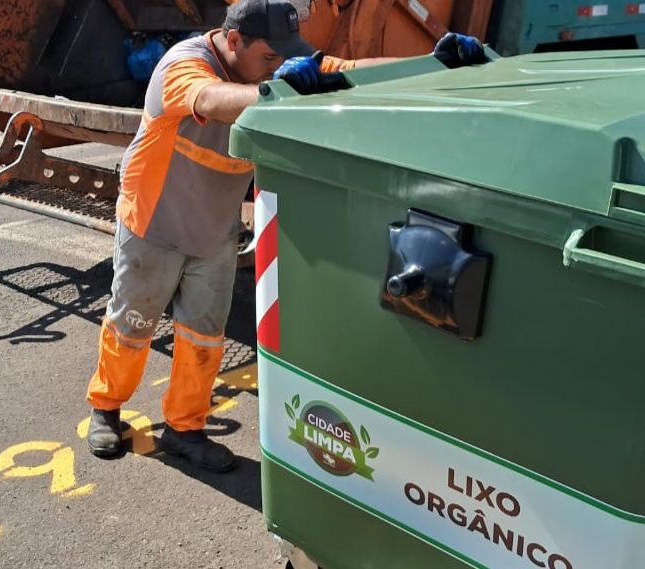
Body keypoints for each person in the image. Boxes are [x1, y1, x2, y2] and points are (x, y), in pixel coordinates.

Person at [85, 0, 488, 472]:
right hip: (155, 221)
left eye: (283, 58)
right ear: (233, 41)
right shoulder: (184, 65)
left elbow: (350, 70)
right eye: (268, 59)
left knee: (203, 337)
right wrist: (280, 88)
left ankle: (185, 430)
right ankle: (106, 409)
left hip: (214, 229)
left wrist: (432, 66)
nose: (276, 66)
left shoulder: (269, 64)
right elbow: (213, 101)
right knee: (132, 324)